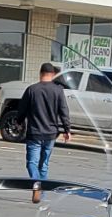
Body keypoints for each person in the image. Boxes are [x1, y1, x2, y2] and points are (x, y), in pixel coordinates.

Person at [18, 63, 72, 202]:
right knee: (44, 164)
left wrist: (19, 122)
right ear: (53, 74)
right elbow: (63, 111)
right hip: (51, 134)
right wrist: (67, 130)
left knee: (31, 162)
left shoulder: (31, 90)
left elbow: (22, 110)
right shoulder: (58, 90)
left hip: (34, 132)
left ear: (40, 73)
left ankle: (37, 185)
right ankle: (42, 194)